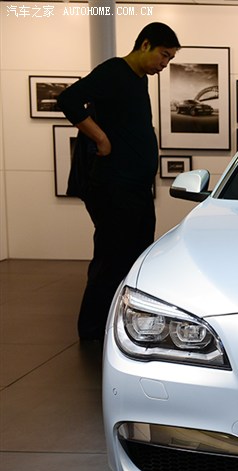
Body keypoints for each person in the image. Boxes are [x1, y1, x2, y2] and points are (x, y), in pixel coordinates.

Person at [58, 23, 181, 341]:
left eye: (169, 59)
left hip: (135, 187)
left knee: (136, 255)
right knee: (111, 256)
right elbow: (69, 100)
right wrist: (101, 139)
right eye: (163, 55)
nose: (164, 64)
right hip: (114, 185)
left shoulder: (139, 79)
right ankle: (93, 330)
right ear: (145, 44)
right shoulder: (114, 71)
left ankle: (122, 323)